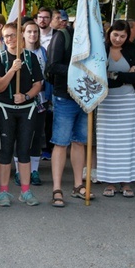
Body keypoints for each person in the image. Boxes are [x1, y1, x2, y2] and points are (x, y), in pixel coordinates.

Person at [0, 22, 43, 207]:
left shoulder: (31, 58)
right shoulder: (0, 59)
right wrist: (12, 70)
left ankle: (25, 191)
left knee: (24, 151)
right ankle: (3, 192)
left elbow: (38, 84)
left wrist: (27, 96)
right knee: (5, 151)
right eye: (6, 36)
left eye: (13, 35)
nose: (10, 40)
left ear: (21, 35)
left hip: (27, 110)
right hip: (5, 109)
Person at [45, 18, 91, 207]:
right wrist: (79, 70)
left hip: (86, 98)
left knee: (79, 142)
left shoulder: (95, 39)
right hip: (65, 96)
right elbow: (52, 66)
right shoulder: (63, 36)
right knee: (61, 142)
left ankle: (78, 184)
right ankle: (57, 188)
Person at [96, 21, 135, 198]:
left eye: (122, 36)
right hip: (106, 101)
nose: (118, 39)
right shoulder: (102, 49)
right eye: (115, 35)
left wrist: (114, 75)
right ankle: (109, 181)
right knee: (108, 141)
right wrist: (124, 76)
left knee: (126, 141)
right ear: (110, 33)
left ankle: (126, 181)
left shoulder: (133, 50)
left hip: (127, 100)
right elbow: (99, 76)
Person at [16, 20, 50, 186]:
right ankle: (18, 171)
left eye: (35, 32)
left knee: (37, 135)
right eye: (29, 31)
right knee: (20, 136)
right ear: (22, 33)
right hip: (21, 101)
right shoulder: (17, 53)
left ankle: (34, 170)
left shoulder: (42, 51)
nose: (32, 35)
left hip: (39, 100)